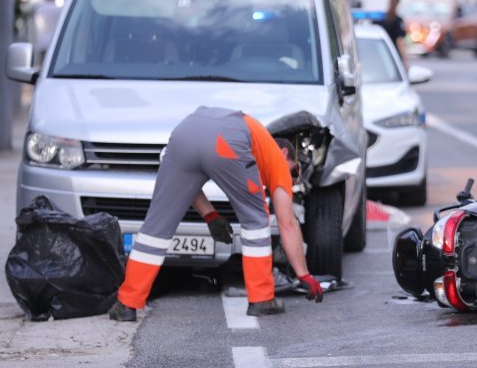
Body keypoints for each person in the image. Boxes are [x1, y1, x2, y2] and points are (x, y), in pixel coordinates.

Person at [109, 106, 323, 322]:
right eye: (294, 171)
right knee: (256, 222)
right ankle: (262, 299)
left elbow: (187, 184)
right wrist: (304, 274)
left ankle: (126, 303)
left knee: (155, 229)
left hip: (185, 133)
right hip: (227, 137)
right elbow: (287, 224)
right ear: (285, 153)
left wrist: (209, 215)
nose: (293, 180)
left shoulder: (252, 142)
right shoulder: (276, 158)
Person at [377, 0, 409, 68]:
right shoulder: (398, 21)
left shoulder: (381, 19)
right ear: (398, 2)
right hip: (394, 57)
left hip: (381, 56)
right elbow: (400, 41)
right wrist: (405, 60)